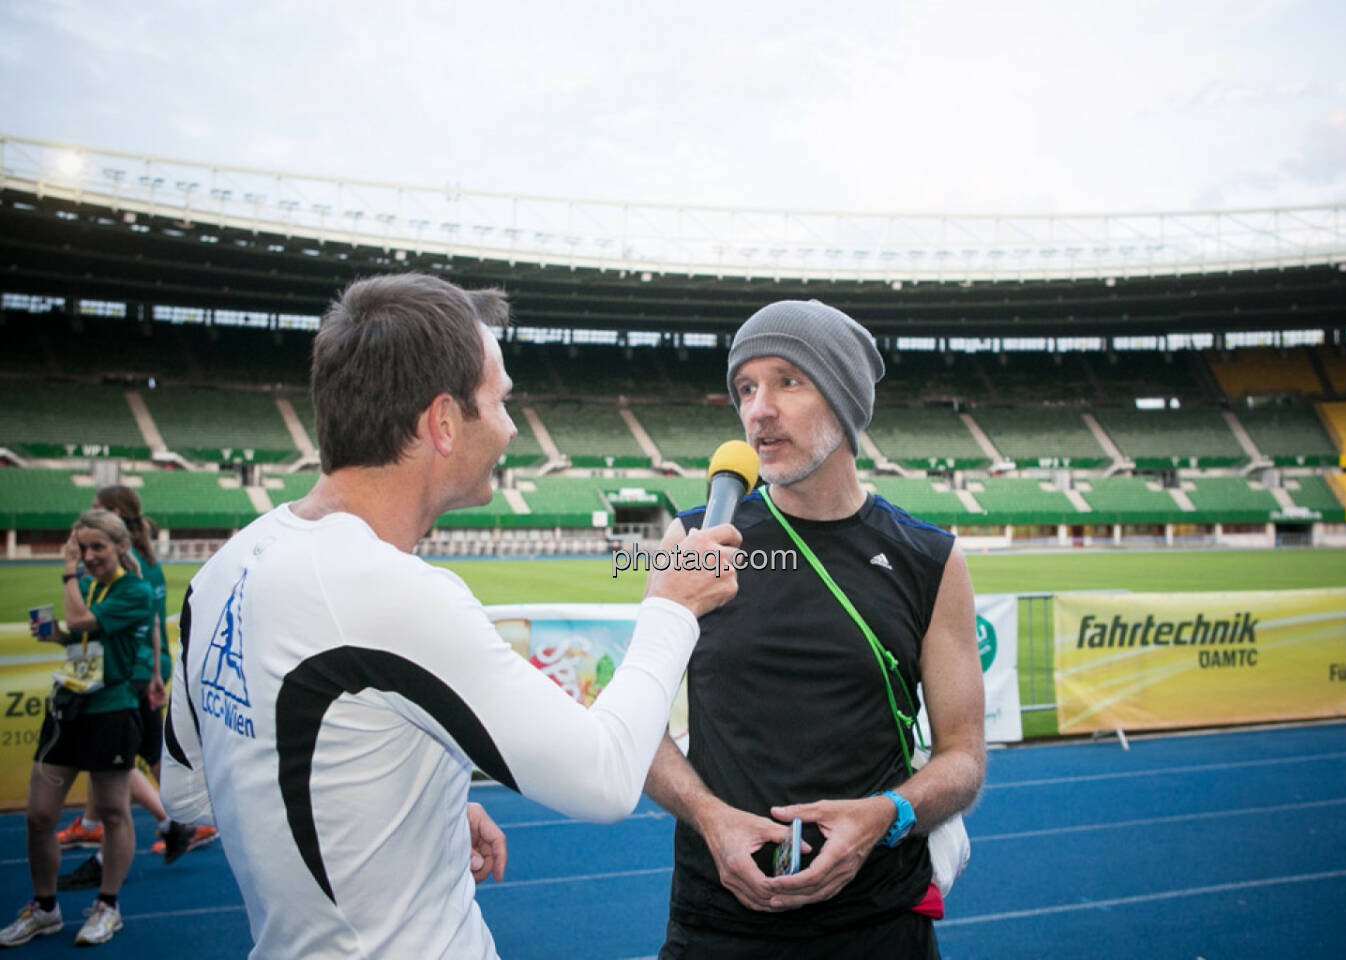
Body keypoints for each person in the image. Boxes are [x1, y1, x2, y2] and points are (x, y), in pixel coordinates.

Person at [160, 273, 741, 959]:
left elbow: (188, 793)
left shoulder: (227, 565)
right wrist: (669, 606)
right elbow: (607, 776)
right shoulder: (391, 592)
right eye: (499, 401)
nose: (512, 425)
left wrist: (414, 811)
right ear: (442, 422)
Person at [644, 300, 987, 959]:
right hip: (717, 924)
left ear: (845, 401)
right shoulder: (693, 540)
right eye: (745, 388)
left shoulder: (930, 560)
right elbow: (640, 730)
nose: (757, 410)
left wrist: (887, 815)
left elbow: (963, 759)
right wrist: (708, 817)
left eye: (787, 381)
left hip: (879, 925)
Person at [0, 510, 154, 947]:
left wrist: (68, 573)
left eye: (97, 548)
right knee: (40, 815)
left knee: (112, 812)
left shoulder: (136, 590)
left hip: (111, 710)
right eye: (82, 549)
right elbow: (81, 636)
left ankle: (108, 906)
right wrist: (55, 636)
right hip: (68, 708)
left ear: (120, 548)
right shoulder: (89, 586)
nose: (88, 557)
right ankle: (45, 909)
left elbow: (85, 622)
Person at [55, 486, 215, 891]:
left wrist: (153, 670)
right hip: (140, 670)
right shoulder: (135, 563)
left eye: (96, 510)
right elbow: (157, 620)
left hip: (133, 675)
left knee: (128, 758)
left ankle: (177, 823)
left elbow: (148, 620)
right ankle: (123, 828)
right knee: (125, 758)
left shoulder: (131, 567)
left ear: (113, 513)